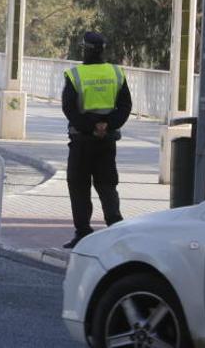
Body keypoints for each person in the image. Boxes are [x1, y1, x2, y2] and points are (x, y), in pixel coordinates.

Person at [61, 32, 132, 249]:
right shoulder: (116, 72)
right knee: (107, 185)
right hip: (107, 141)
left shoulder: (75, 75)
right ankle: (115, 228)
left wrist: (91, 127)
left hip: (82, 141)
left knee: (78, 185)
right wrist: (107, 125)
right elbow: (125, 106)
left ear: (85, 49)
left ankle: (83, 232)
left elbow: (69, 108)